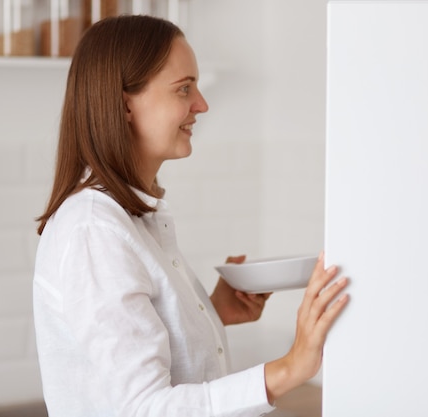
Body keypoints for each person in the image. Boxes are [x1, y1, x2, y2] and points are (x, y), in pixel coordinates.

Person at [33, 14, 350, 417]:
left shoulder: (132, 218)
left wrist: (211, 313)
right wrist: (291, 367)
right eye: (184, 89)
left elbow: (137, 348)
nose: (201, 104)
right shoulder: (94, 230)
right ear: (125, 105)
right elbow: (145, 408)